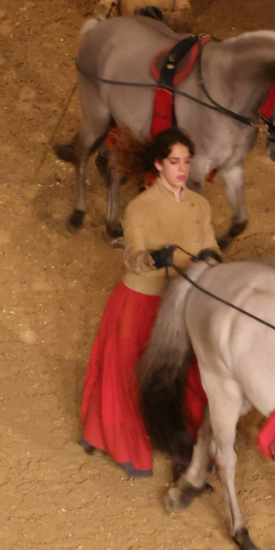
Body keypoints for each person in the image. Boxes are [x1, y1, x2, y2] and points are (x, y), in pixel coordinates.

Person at [79, 128, 217, 475]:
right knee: (129, 373)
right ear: (158, 165)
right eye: (174, 162)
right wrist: (155, 260)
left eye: (186, 161)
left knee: (189, 374)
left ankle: (187, 450)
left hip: (184, 300)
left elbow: (211, 246)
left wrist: (211, 258)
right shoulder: (140, 207)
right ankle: (119, 438)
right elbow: (133, 257)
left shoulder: (200, 205)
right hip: (142, 302)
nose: (182, 168)